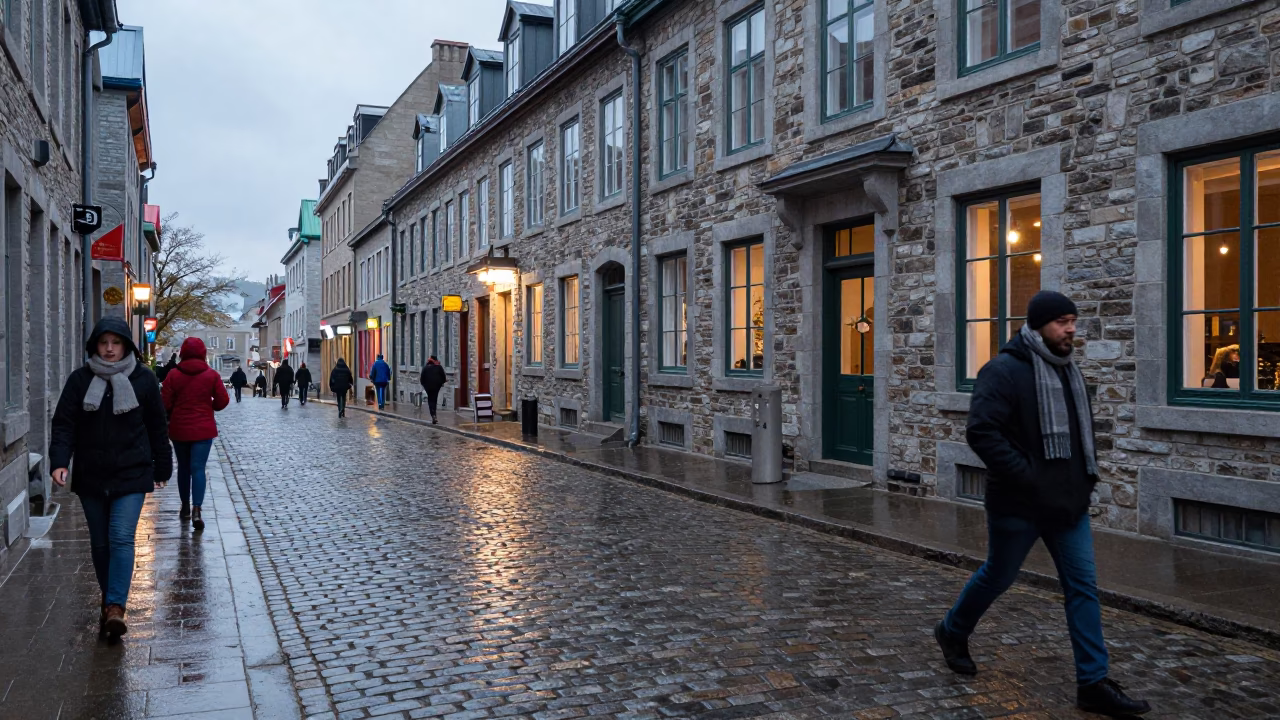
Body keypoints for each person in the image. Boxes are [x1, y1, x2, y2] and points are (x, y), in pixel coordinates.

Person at [933, 291, 1150, 718]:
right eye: (1061, 322)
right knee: (998, 575)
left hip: (1067, 507)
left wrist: (1083, 480)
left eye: (1072, 321)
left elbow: (1080, 436)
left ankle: (1093, 682)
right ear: (1036, 326)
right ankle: (952, 630)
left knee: (1083, 588)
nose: (1070, 329)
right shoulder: (1002, 371)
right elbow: (982, 433)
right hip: (1018, 504)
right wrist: (1031, 477)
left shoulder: (1070, 372)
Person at [49, 317, 172, 639]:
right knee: (100, 543)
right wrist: (59, 462)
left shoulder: (144, 380)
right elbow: (64, 424)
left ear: (126, 345)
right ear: (95, 346)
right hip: (91, 473)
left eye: (115, 342)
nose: (109, 348)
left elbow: (158, 426)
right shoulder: (79, 380)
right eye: (103, 343)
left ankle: (116, 605)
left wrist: (162, 466)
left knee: (120, 537)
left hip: (132, 471)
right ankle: (109, 602)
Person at [162, 337, 230, 530]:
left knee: (183, 468)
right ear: (203, 354)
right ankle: (197, 509)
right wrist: (210, 405)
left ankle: (184, 505)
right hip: (203, 429)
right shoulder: (211, 375)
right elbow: (222, 401)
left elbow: (164, 402)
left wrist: (175, 409)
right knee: (198, 468)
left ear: (182, 353)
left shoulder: (174, 375)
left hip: (179, 428)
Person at [420, 355, 446, 424]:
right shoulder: (439, 367)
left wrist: (425, 386)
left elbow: (422, 379)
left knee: (430, 400)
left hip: (428, 387)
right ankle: (434, 415)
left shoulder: (425, 368)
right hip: (436, 386)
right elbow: (443, 377)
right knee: (434, 400)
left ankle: (433, 415)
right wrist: (441, 383)